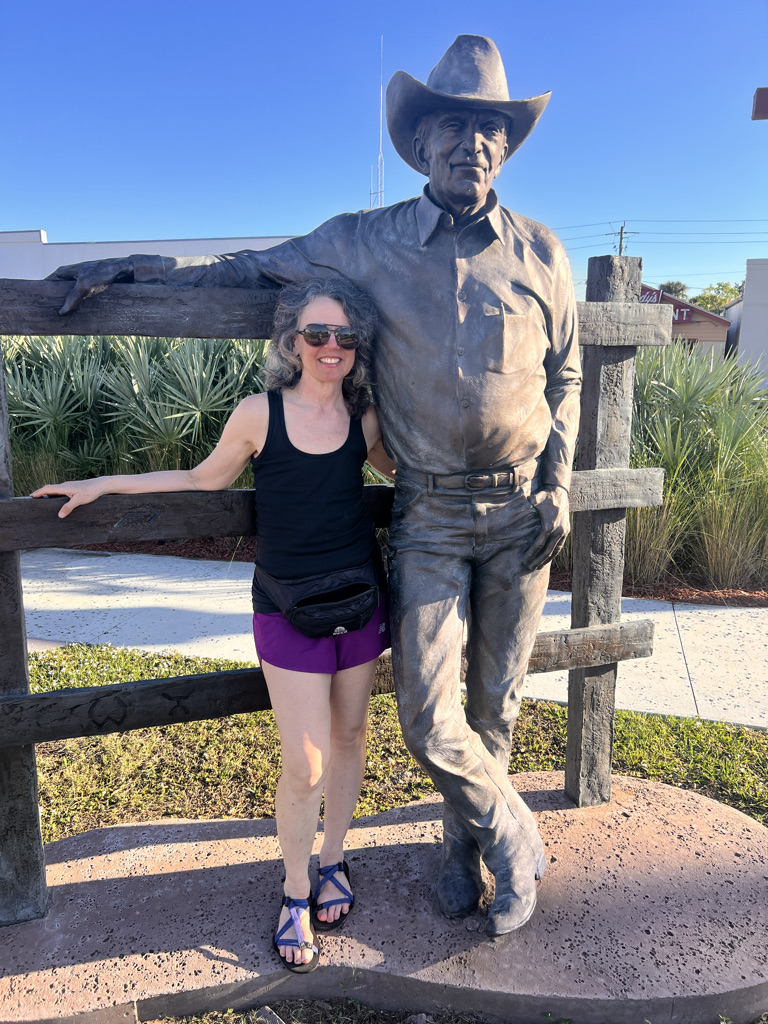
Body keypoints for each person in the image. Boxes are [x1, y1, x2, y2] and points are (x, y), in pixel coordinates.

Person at [49, 35, 581, 936]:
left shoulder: (542, 253)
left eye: (490, 129)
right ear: (420, 144)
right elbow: (250, 266)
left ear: (507, 145)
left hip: (525, 506)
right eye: (453, 125)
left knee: (497, 704)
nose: (472, 145)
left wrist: (561, 479)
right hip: (431, 515)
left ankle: (469, 853)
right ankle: (517, 836)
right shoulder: (363, 243)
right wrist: (131, 269)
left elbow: (566, 374)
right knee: (425, 714)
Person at [33, 278, 395, 972]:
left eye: (346, 337)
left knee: (352, 737)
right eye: (317, 334)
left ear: (358, 348)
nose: (331, 347)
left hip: (360, 598)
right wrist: (102, 484)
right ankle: (295, 893)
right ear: (292, 341)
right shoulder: (258, 414)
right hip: (285, 605)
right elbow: (204, 480)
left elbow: (404, 469)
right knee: (307, 762)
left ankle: (335, 860)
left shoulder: (366, 418)